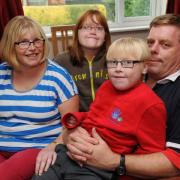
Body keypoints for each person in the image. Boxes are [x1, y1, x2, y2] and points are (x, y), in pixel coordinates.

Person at [61, 14, 180, 179]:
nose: (153, 49)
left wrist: (114, 161)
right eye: (150, 42)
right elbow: (96, 118)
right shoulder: (126, 75)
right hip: (80, 158)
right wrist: (72, 135)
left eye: (165, 44)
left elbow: (176, 161)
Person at [32, 37, 167, 180]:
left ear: (145, 67)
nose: (118, 69)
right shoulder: (106, 87)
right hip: (68, 154)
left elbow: (151, 154)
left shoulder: (151, 104)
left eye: (127, 63)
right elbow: (94, 116)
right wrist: (75, 120)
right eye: (113, 62)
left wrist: (118, 166)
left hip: (97, 170)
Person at [0, 16, 79, 180]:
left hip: (37, 149)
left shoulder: (58, 77)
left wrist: (53, 146)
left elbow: (71, 126)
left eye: (37, 41)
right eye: (23, 42)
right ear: (10, 46)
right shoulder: (2, 73)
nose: (33, 47)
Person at [54, 9, 111, 112]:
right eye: (87, 27)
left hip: (109, 118)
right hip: (77, 120)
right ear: (77, 32)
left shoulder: (115, 59)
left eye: (99, 28)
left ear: (105, 35)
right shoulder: (61, 62)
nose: (93, 32)